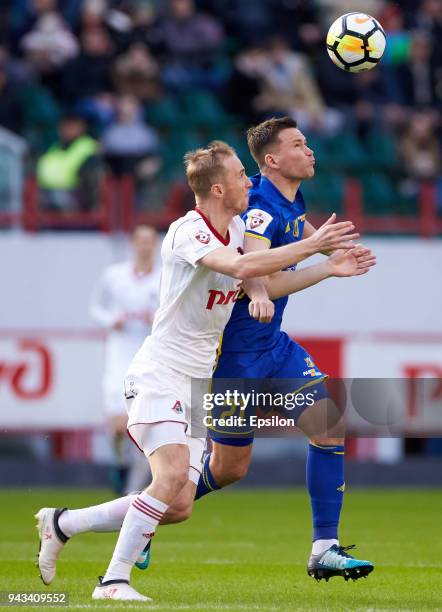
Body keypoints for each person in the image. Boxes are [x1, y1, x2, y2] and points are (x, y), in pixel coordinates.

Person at [35, 139, 363, 601]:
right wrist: (311, 245)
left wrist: (327, 267)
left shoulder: (236, 230)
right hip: (158, 374)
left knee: (179, 504)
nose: (248, 181)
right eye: (237, 176)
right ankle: (112, 582)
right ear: (216, 189)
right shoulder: (187, 231)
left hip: (196, 384)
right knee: (168, 480)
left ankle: (63, 523)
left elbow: (261, 279)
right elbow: (245, 266)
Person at [159, 117, 376, 582]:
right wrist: (283, 282)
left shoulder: (290, 198)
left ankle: (324, 547)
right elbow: (256, 267)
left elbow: (291, 235)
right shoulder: (257, 205)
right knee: (229, 467)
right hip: (233, 357)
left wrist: (324, 248)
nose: (311, 150)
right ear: (273, 159)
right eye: (299, 145)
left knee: (330, 424)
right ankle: (143, 520)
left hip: (272, 347)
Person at [90, 225, 161, 495]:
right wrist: (111, 320)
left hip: (149, 359)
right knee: (119, 427)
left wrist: (156, 319)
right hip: (119, 356)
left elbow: (172, 311)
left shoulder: (164, 278)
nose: (145, 246)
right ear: (133, 244)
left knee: (143, 428)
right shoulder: (114, 276)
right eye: (140, 241)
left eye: (149, 241)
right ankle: (119, 463)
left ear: (155, 245)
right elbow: (96, 307)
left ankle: (131, 494)